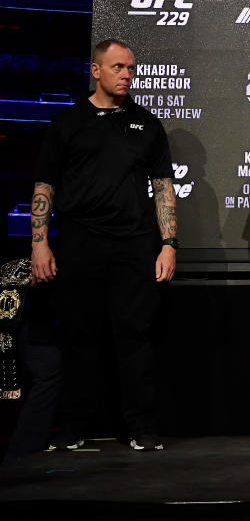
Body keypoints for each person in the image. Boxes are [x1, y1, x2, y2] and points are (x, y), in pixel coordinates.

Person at [31, 38, 177, 452]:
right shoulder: (68, 123)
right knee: (80, 334)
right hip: (81, 241)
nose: (127, 74)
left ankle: (142, 427)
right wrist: (39, 244)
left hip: (135, 244)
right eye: (118, 67)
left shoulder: (147, 124)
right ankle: (75, 426)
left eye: (131, 68)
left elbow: (163, 188)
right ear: (96, 71)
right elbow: (45, 186)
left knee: (136, 335)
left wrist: (168, 243)